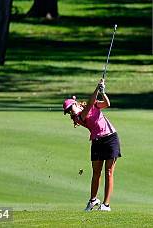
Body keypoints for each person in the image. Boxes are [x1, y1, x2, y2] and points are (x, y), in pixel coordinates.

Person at [63, 78, 121, 212]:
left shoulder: (93, 104)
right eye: (68, 112)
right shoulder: (79, 117)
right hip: (96, 141)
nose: (70, 112)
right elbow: (89, 105)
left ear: (76, 104)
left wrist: (102, 92)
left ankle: (105, 205)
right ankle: (93, 200)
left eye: (70, 108)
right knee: (96, 173)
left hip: (111, 138)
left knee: (109, 172)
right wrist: (97, 88)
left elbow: (107, 103)